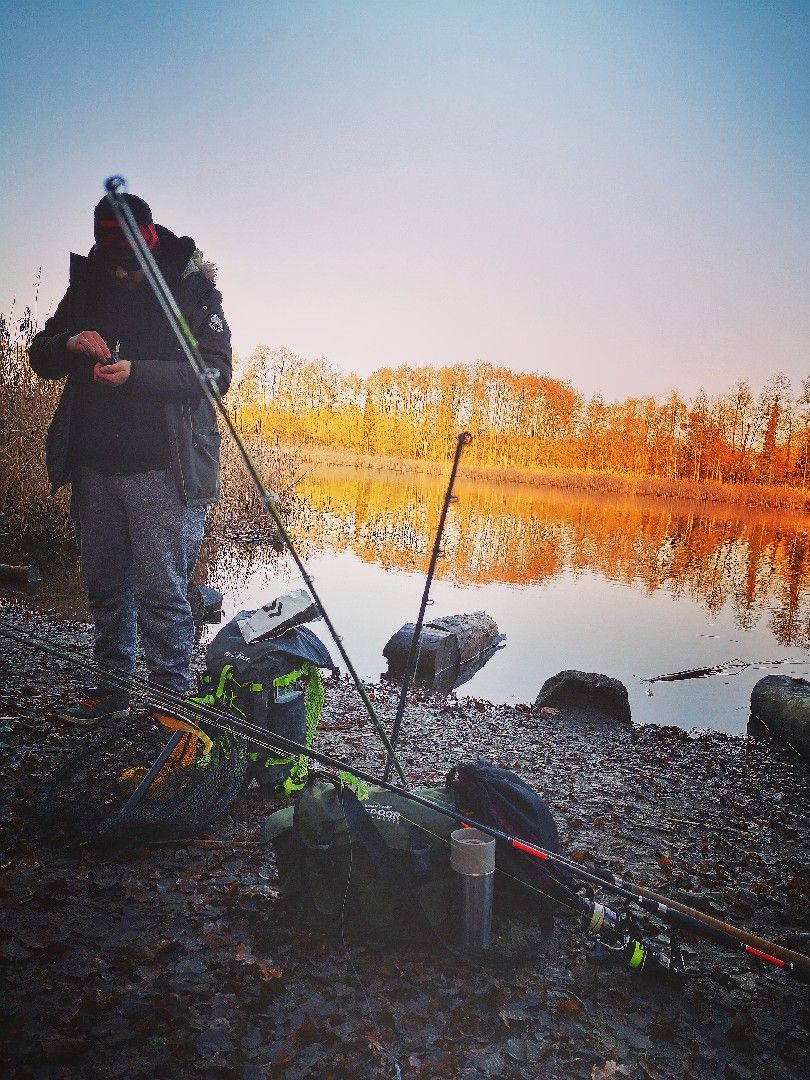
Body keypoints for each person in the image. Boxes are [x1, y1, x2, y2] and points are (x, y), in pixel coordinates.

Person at [28, 192, 232, 720]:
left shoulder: (192, 289)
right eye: (110, 263)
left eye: (128, 265)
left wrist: (139, 373)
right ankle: (111, 687)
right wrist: (71, 342)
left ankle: (170, 702)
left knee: (164, 592)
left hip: (163, 469)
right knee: (104, 584)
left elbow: (215, 376)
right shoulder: (88, 280)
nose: (118, 274)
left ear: (150, 243)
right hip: (93, 465)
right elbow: (40, 354)